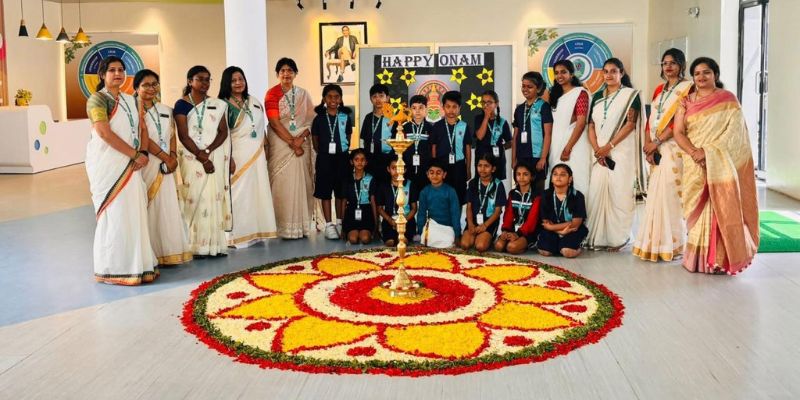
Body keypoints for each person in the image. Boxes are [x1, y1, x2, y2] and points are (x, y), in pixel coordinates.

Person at [672, 57, 759, 275]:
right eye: (697, 73)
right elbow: (678, 132)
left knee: (721, 207)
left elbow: (734, 133)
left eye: (706, 72)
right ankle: (696, 260)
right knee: (698, 209)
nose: (701, 77)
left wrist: (708, 153)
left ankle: (720, 260)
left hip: (719, 163)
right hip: (694, 163)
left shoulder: (728, 100)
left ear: (715, 75)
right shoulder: (685, 101)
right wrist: (695, 153)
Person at [85, 56, 158, 284]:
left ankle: (139, 265)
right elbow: (104, 133)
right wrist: (134, 155)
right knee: (115, 215)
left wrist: (142, 153)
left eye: (121, 70)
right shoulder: (97, 99)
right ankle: (114, 268)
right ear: (102, 74)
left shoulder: (132, 100)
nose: (117, 74)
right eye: (112, 70)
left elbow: (142, 128)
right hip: (109, 165)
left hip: (132, 164)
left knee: (134, 213)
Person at [633, 49, 693, 262]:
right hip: (655, 147)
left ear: (681, 65)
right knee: (655, 196)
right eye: (665, 63)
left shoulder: (688, 88)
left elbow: (680, 121)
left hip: (674, 147)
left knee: (670, 195)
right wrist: (648, 146)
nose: (668, 67)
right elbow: (651, 120)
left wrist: (656, 143)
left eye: (673, 63)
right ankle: (654, 243)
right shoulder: (659, 89)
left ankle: (673, 245)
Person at [134, 69, 192, 265]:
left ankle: (168, 251)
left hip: (167, 165)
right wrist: (165, 157)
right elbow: (144, 137)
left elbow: (172, 135)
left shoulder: (166, 110)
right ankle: (150, 254)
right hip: (145, 163)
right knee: (148, 207)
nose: (151, 88)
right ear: (136, 88)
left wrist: (173, 157)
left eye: (154, 84)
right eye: (145, 85)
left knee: (166, 207)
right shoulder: (133, 110)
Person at [585, 58, 644, 250]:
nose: (609, 75)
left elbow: (630, 124)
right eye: (606, 71)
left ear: (621, 73)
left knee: (620, 193)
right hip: (598, 153)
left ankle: (619, 238)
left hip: (620, 151)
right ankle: (598, 238)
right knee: (596, 192)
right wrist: (597, 148)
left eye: (613, 71)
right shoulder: (596, 96)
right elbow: (590, 125)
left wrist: (609, 146)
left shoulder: (630, 96)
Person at [174, 66, 233, 257]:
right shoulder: (181, 105)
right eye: (200, 79)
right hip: (191, 158)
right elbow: (183, 135)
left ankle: (215, 246)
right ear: (190, 81)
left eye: (208, 79)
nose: (205, 83)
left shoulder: (217, 104)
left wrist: (208, 152)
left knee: (212, 197)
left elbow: (223, 132)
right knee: (194, 198)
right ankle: (195, 246)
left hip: (212, 156)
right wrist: (200, 155)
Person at [219, 66, 278, 248]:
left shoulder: (254, 101)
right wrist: (229, 158)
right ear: (227, 83)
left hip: (257, 156)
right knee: (238, 195)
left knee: (256, 193)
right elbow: (222, 135)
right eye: (234, 80)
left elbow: (260, 128)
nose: (238, 83)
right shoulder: (222, 105)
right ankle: (237, 236)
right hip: (236, 156)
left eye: (241, 79)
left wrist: (266, 147)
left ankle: (256, 232)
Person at [265, 58, 317, 239]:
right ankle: (283, 227)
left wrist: (300, 139)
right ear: (277, 74)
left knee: (302, 182)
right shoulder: (272, 94)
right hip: (281, 143)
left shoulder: (303, 94)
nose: (286, 74)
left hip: (301, 141)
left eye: (290, 70)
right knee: (283, 183)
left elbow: (310, 121)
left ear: (295, 73)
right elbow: (274, 122)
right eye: (282, 71)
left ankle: (301, 226)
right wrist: (292, 142)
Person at [311, 84, 352, 240]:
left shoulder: (345, 117)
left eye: (336, 97)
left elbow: (348, 138)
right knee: (325, 192)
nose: (333, 100)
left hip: (342, 159)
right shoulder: (319, 119)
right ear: (324, 99)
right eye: (329, 96)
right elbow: (315, 142)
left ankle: (340, 222)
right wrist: (325, 152)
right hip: (325, 159)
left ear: (340, 99)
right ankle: (329, 225)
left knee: (342, 192)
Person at [548, 60, 591, 195]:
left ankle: (579, 208)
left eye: (563, 72)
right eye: (556, 73)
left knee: (577, 182)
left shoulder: (580, 93)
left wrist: (568, 148)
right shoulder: (555, 95)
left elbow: (581, 123)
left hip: (575, 146)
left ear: (571, 74)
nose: (559, 76)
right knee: (556, 183)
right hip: (556, 145)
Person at [512, 72, 552, 192]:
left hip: (537, 156)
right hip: (521, 156)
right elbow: (515, 136)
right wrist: (514, 159)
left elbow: (548, 134)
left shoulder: (544, 106)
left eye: (529, 87)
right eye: (523, 86)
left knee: (537, 191)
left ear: (538, 88)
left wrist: (543, 158)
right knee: (521, 190)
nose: (525, 89)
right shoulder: (519, 109)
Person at [537, 164, 588, 258]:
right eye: (555, 174)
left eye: (563, 174)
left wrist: (552, 227)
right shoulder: (545, 195)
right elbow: (545, 222)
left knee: (568, 252)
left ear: (570, 179)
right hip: (552, 231)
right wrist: (560, 232)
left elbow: (575, 224)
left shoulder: (578, 196)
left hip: (572, 230)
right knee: (545, 252)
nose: (558, 177)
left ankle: (574, 246)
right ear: (551, 179)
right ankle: (559, 244)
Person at [430, 90, 472, 205]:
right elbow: (433, 147)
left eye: (454, 107)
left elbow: (468, 148)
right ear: (443, 107)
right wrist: (434, 167)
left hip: (459, 167)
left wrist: (468, 169)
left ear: (459, 108)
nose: (451, 110)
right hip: (442, 167)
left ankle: (456, 216)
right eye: (448, 106)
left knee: (458, 198)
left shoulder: (464, 126)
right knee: (442, 197)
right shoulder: (437, 126)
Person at [461, 154, 507, 252]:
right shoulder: (473, 183)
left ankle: (489, 237)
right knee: (465, 245)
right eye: (480, 165)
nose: (482, 169)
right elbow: (469, 207)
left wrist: (485, 225)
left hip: (489, 222)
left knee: (480, 246)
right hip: (473, 220)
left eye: (486, 166)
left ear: (493, 169)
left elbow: (498, 211)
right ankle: (476, 236)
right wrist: (470, 224)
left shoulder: (498, 185)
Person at [495, 161, 543, 254]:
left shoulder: (537, 196)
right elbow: (508, 215)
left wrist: (518, 234)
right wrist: (505, 230)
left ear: (532, 176)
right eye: (518, 174)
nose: (521, 177)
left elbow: (532, 221)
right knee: (498, 246)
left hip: (529, 232)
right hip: (514, 229)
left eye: (525, 174)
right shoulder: (512, 194)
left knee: (511, 247)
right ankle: (515, 242)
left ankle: (529, 244)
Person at [417, 159, 461, 248]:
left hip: (447, 227)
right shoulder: (424, 192)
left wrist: (457, 234)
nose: (435, 176)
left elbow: (455, 213)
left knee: (449, 241)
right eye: (432, 173)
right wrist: (421, 231)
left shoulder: (450, 191)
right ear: (427, 174)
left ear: (444, 175)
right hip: (432, 226)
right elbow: (421, 213)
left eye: (438, 173)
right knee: (425, 239)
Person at [376, 155, 418, 246]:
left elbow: (414, 208)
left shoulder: (410, 185)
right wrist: (390, 220)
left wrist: (403, 221)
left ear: (405, 170)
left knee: (402, 241)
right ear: (388, 169)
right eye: (393, 168)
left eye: (400, 168)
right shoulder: (383, 186)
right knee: (390, 242)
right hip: (389, 220)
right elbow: (379, 208)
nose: (397, 172)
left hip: (407, 220)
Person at [341, 149, 377, 244]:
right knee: (353, 239)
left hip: (366, 212)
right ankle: (354, 233)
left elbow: (373, 201)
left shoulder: (370, 178)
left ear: (366, 162)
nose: (360, 162)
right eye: (356, 159)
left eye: (362, 159)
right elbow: (344, 201)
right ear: (351, 162)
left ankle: (365, 233)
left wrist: (376, 224)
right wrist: (343, 225)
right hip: (351, 212)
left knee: (365, 239)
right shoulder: (347, 179)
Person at [360, 83, 394, 184]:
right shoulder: (368, 118)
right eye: (374, 96)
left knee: (386, 188)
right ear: (371, 99)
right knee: (372, 188)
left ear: (387, 98)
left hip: (388, 160)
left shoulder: (393, 118)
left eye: (381, 96)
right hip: (371, 160)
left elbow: (397, 142)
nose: (378, 99)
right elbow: (365, 140)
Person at [474, 90, 512, 180]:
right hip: (482, 158)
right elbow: (480, 136)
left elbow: (510, 142)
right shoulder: (478, 119)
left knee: (496, 184)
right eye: (483, 102)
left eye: (489, 102)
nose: (486, 105)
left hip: (497, 159)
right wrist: (486, 117)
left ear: (496, 104)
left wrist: (501, 147)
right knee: (481, 183)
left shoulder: (502, 122)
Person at [400, 94, 433, 193]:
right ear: (410, 110)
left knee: (424, 195)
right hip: (408, 168)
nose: (417, 111)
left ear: (426, 109)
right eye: (414, 108)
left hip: (425, 169)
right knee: (410, 196)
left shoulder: (431, 128)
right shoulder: (403, 127)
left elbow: (432, 149)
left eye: (421, 108)